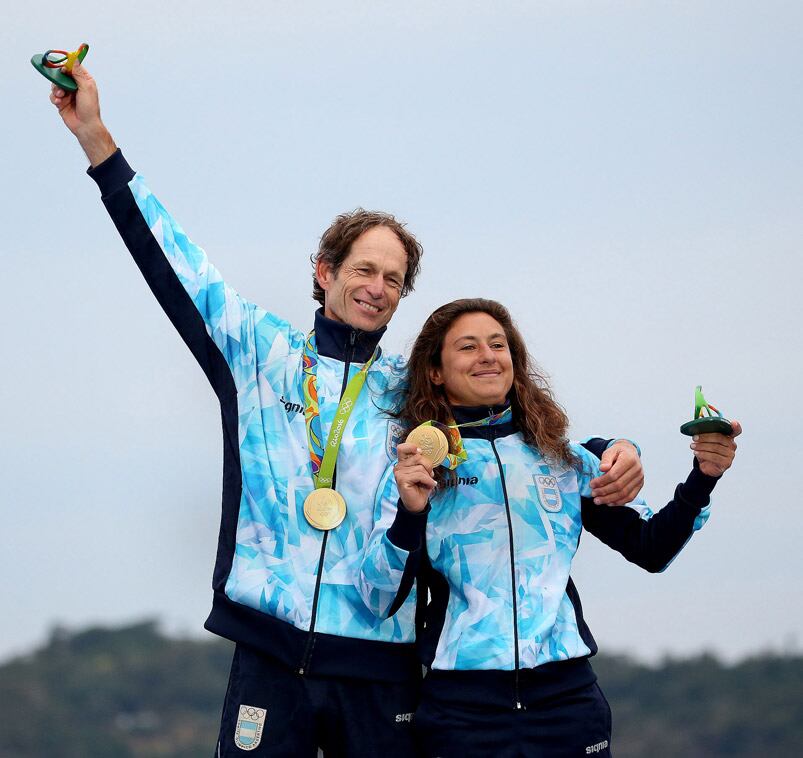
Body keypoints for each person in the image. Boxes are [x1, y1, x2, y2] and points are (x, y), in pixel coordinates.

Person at [49, 64, 647, 757]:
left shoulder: (414, 392)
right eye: (363, 269)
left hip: (379, 664)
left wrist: (612, 447)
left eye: (393, 279)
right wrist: (96, 139)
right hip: (269, 655)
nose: (377, 288)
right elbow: (172, 259)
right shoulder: (258, 353)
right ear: (324, 271)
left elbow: (508, 410)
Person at [359, 298, 740, 758]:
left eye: (498, 344)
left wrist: (703, 478)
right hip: (463, 710)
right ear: (435, 371)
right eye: (468, 346)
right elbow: (378, 596)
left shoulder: (563, 459)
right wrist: (410, 513)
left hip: (567, 701)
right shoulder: (415, 469)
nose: (487, 355)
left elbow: (652, 548)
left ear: (515, 361)